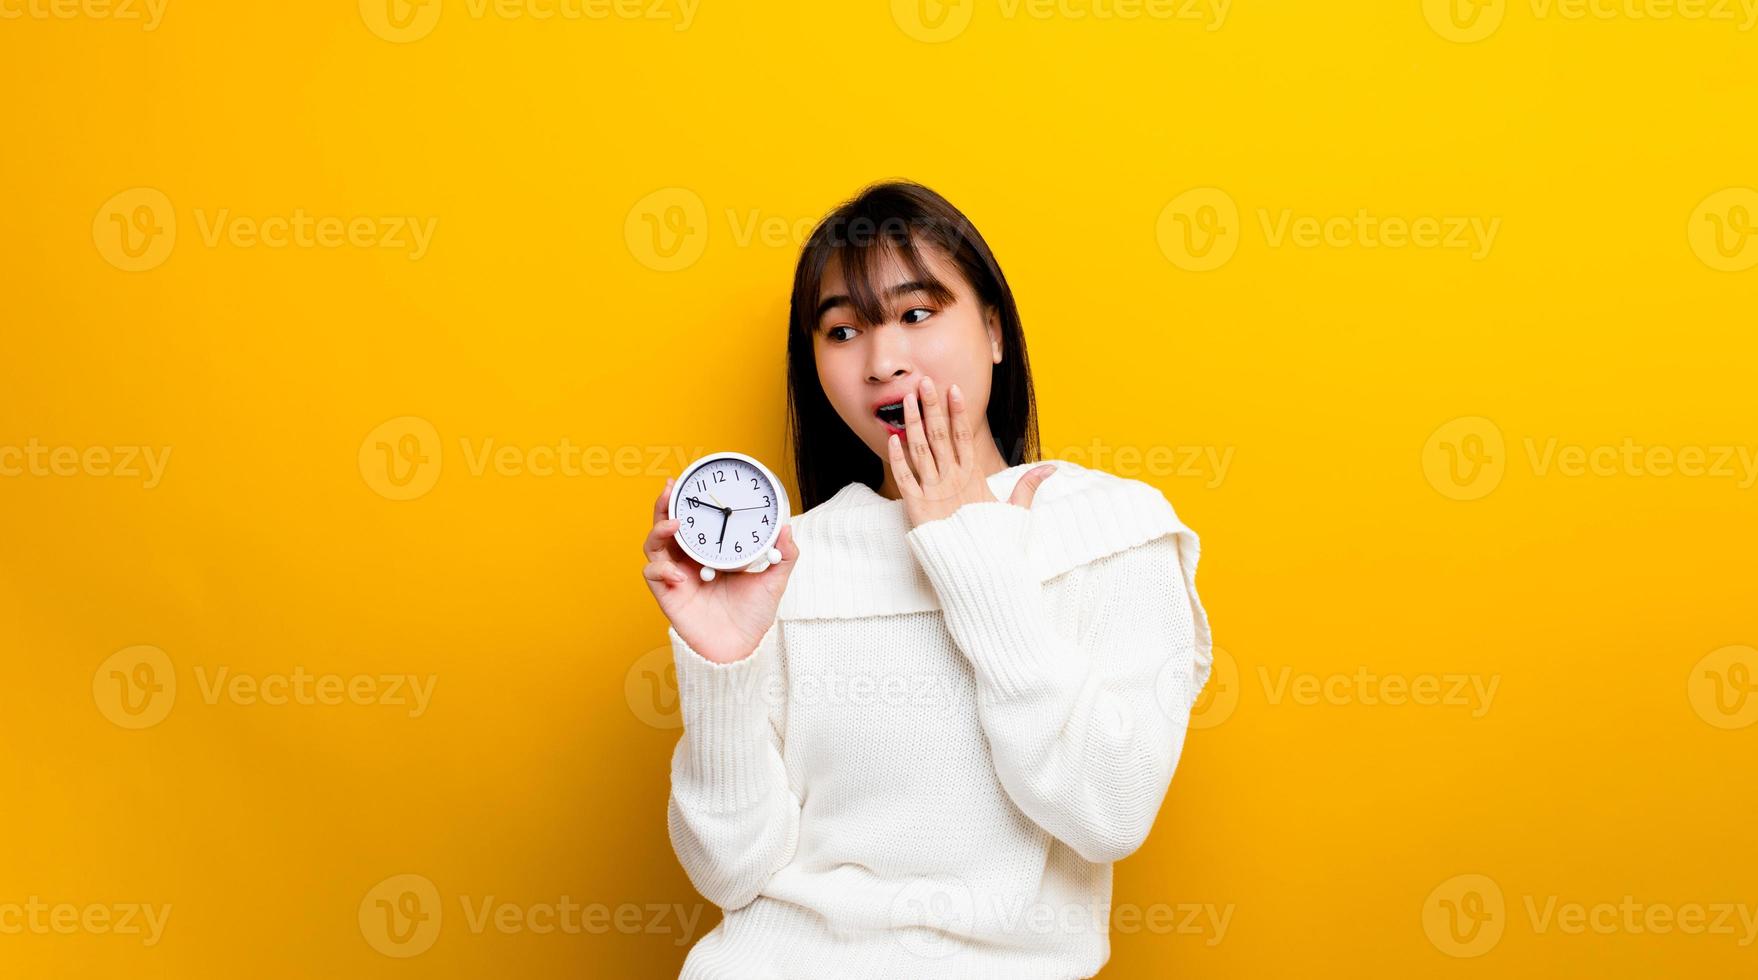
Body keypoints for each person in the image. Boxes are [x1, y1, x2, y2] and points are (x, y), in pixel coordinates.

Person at [640, 179, 1214, 979]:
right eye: (843, 331)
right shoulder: (785, 560)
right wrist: (724, 671)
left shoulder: (1109, 529)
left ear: (994, 331)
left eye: (916, 314)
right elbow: (733, 872)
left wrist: (964, 543)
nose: (882, 362)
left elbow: (1107, 809)